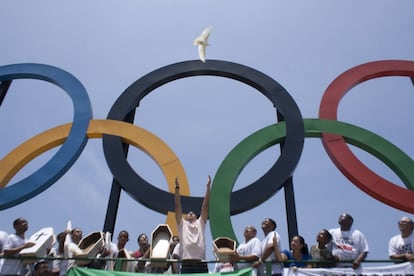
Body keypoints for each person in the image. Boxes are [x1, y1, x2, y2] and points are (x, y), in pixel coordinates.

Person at [174, 175, 211, 273]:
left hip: (201, 263)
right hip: (187, 263)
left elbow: (205, 205)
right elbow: (177, 206)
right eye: (188, 213)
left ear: (196, 216)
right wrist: (177, 189)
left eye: (193, 213)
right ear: (185, 217)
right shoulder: (182, 224)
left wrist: (208, 188)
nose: (190, 213)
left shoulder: (200, 223)